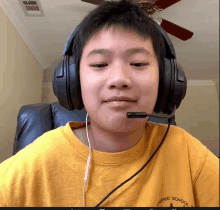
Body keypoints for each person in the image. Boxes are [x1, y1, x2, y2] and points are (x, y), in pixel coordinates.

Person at [0, 0, 219, 207]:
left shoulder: (186, 152)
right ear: (72, 81)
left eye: (138, 63)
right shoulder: (36, 160)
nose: (119, 79)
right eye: (99, 64)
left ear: (166, 81)